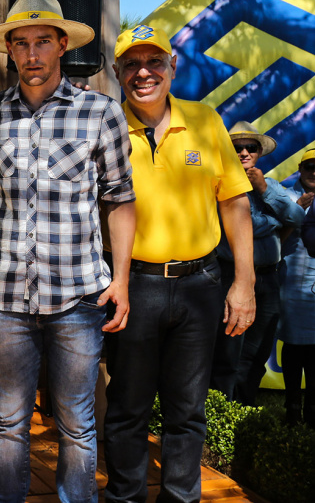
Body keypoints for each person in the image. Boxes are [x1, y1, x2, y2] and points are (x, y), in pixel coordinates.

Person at [0, 0, 136, 503]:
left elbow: (120, 199)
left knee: (76, 424)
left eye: (42, 42)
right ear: (9, 50)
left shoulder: (101, 112)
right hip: (6, 297)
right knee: (8, 422)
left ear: (61, 45)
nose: (32, 54)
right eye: (22, 43)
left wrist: (120, 280)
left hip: (77, 297)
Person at [103, 25, 254, 503]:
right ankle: (125, 497)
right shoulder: (105, 124)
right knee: (127, 409)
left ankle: (181, 498)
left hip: (200, 285)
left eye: (154, 62)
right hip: (133, 286)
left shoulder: (206, 120)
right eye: (131, 64)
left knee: (187, 411)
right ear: (117, 72)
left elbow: (235, 203)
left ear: (173, 67)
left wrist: (244, 283)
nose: (143, 73)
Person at [209, 122, 303, 405]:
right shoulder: (218, 185)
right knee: (228, 351)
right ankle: (222, 411)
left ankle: (245, 408)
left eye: (250, 147)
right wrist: (275, 219)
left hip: (269, 279)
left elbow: (298, 217)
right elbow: (244, 226)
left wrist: (263, 189)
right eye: (237, 148)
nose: (244, 153)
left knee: (258, 351)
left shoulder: (269, 185)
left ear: (259, 152)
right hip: (231, 276)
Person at [281, 149, 315, 427]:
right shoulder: (285, 196)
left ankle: (313, 410)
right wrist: (297, 210)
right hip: (291, 281)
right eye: (309, 166)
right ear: (300, 168)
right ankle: (292, 408)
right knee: (293, 346)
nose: (314, 172)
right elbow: (274, 236)